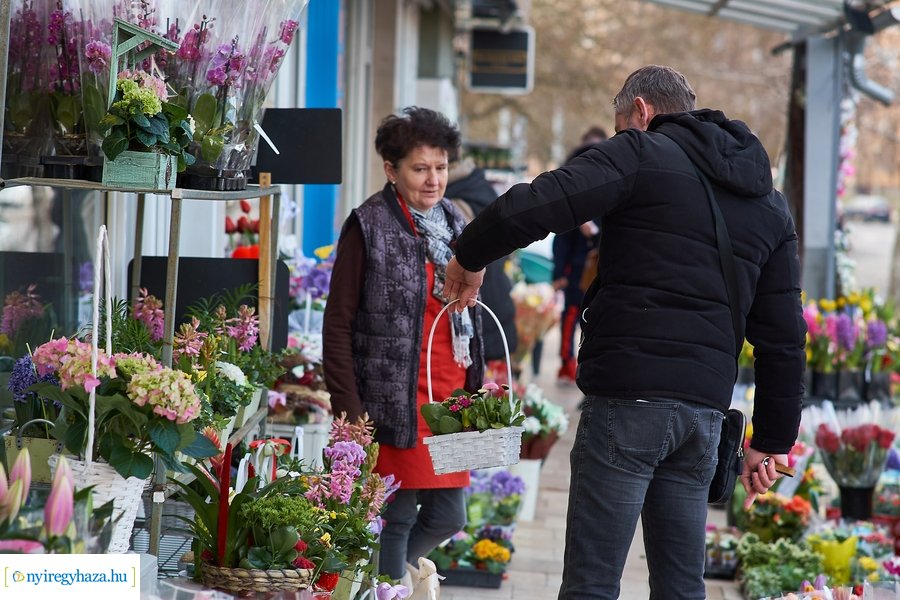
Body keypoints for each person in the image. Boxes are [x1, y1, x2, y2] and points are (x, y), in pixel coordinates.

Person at [443, 65, 807, 598]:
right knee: (682, 586)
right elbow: (783, 337)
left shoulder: (639, 152)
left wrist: (469, 255)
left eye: (619, 126)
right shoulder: (768, 204)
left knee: (593, 583)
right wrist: (772, 440)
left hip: (628, 402)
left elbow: (542, 200)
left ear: (640, 112)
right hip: (703, 415)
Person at [322, 106, 484, 581]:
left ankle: (376, 584)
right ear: (391, 170)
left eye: (441, 167)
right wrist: (349, 410)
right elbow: (337, 325)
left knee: (449, 516)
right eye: (420, 169)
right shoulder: (368, 226)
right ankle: (387, 587)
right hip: (393, 400)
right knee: (396, 518)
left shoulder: (456, 222)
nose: (434, 180)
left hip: (450, 399)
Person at [446, 156, 518, 383]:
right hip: (495, 307)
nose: (431, 179)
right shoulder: (480, 188)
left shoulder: (454, 202)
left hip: (478, 310)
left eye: (437, 167)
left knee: (484, 402)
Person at [551, 126, 608, 383]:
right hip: (576, 270)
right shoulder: (573, 188)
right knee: (570, 317)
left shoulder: (614, 186)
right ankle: (566, 364)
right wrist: (559, 272)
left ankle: (591, 368)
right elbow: (561, 237)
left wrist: (593, 233)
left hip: (602, 269)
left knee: (597, 322)